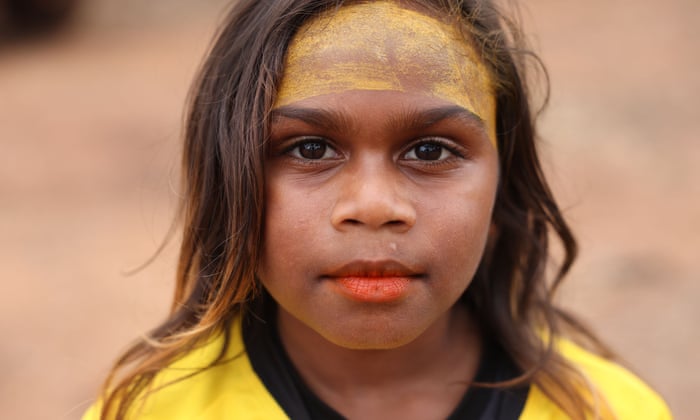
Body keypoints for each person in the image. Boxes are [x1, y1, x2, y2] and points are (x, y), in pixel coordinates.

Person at [83, 1, 672, 419]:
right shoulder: (150, 410)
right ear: (227, 179)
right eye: (309, 149)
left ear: (504, 190)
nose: (373, 205)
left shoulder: (609, 410)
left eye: (430, 150)